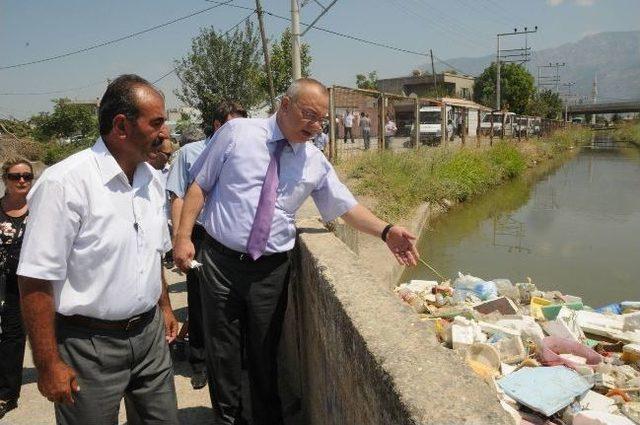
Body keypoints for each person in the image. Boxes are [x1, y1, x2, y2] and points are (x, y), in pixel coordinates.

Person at [173, 78, 419, 425]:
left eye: (322, 119)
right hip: (220, 264)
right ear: (284, 105)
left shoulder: (313, 161)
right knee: (223, 353)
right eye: (309, 115)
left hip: (270, 271)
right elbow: (199, 183)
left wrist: (386, 230)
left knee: (264, 354)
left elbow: (345, 206)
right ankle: (228, 419)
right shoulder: (237, 133)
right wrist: (183, 237)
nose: (316, 126)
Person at [17, 74, 179, 425]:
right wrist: (47, 366)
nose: (164, 133)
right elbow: (35, 281)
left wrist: (164, 306)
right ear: (122, 126)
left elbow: (152, 254)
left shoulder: (152, 180)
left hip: (149, 338)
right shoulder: (65, 183)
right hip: (87, 346)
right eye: (156, 123)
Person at [165, 100, 247, 390]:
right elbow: (178, 196)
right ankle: (198, 363)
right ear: (217, 125)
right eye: (232, 124)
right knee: (199, 301)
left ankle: (236, 361)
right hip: (199, 236)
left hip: (230, 238)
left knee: (231, 301)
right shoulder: (190, 153)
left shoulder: (243, 152)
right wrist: (180, 238)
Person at [0, 158, 33, 419]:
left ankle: (7, 394)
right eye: (15, 176)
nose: (21, 180)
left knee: (13, 336)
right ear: (5, 180)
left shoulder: (40, 211)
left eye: (26, 176)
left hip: (26, 284)